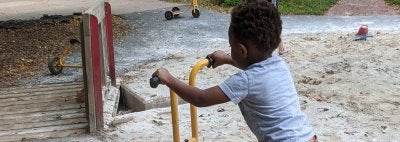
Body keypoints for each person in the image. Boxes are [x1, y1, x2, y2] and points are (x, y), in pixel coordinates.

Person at [152, 1, 316, 141]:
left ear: (241, 50)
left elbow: (200, 98)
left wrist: (168, 78)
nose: (230, 50)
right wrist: (227, 59)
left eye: (231, 47)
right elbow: (256, 72)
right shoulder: (279, 64)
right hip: (307, 136)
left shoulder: (244, 81)